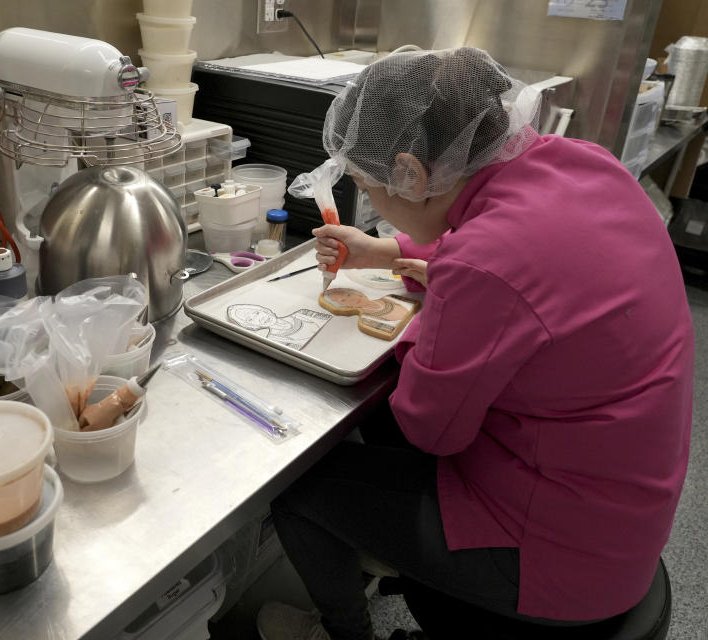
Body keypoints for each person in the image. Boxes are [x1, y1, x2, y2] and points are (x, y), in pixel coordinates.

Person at [256, 47, 694, 640]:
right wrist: (390, 251)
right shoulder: (584, 164)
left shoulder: (483, 267)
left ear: (409, 173)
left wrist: (433, 315)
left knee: (300, 493)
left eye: (367, 184)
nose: (374, 202)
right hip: (619, 513)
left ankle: (343, 633)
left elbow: (430, 429)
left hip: (556, 559)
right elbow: (530, 257)